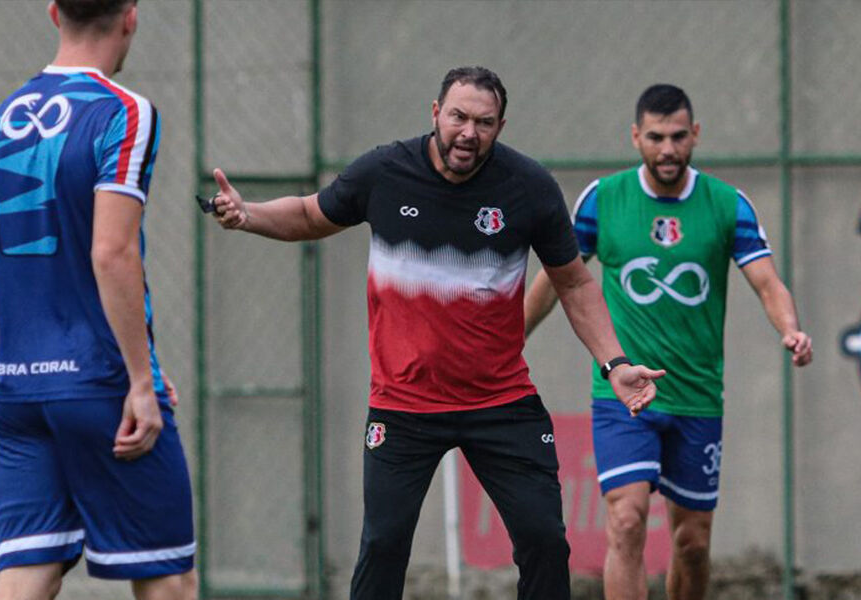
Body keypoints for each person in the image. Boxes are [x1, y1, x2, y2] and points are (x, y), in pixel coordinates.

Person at [205, 66, 665, 600]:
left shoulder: (528, 187)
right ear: (435, 114)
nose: (469, 133)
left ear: (501, 126)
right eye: (459, 117)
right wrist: (248, 214)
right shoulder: (384, 172)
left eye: (484, 122)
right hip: (404, 404)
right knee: (383, 545)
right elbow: (311, 214)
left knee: (544, 540)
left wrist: (615, 363)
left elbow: (575, 283)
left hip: (501, 400)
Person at [523, 84, 813, 600]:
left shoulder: (728, 205)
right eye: (655, 137)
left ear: (695, 135)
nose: (668, 149)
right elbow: (558, 280)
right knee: (627, 521)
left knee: (693, 542)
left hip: (697, 397)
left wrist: (788, 328)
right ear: (636, 137)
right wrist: (508, 338)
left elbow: (767, 282)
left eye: (679, 136)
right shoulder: (602, 201)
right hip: (623, 394)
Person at [0, 1, 196, 598]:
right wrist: (139, 380)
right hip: (98, 383)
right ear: (130, 16)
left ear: (53, 12)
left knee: (27, 571)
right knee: (168, 574)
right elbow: (111, 254)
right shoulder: (124, 113)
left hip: (17, 384)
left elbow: (3, 271)